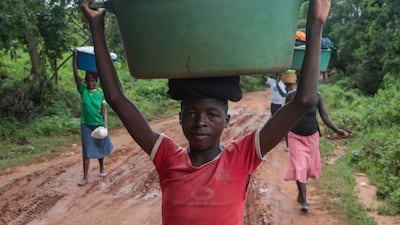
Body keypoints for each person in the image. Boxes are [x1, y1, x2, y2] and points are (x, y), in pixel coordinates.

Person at [80, 0, 331, 224]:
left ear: (227, 121)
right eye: (190, 113)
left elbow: (303, 100)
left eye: (212, 115)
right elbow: (116, 98)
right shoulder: (168, 157)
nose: (200, 122)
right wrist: (96, 27)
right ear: (179, 118)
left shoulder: (241, 157)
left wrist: (315, 23)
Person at [284, 86, 349, 212]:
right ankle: (304, 200)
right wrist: (285, 138)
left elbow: (324, 115)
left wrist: (337, 130)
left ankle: (300, 194)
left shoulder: (317, 96)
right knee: (300, 166)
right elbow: (285, 117)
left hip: (312, 137)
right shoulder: (291, 96)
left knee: (307, 167)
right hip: (295, 137)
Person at [72, 49, 113, 186]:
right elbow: (75, 74)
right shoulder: (82, 90)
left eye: (93, 81)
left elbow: (104, 109)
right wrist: (75, 58)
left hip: (98, 124)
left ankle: (102, 167)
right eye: (89, 80)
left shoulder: (100, 93)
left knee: (100, 146)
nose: (91, 83)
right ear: (86, 81)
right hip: (86, 125)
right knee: (87, 150)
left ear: (96, 81)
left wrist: (105, 123)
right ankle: (85, 177)